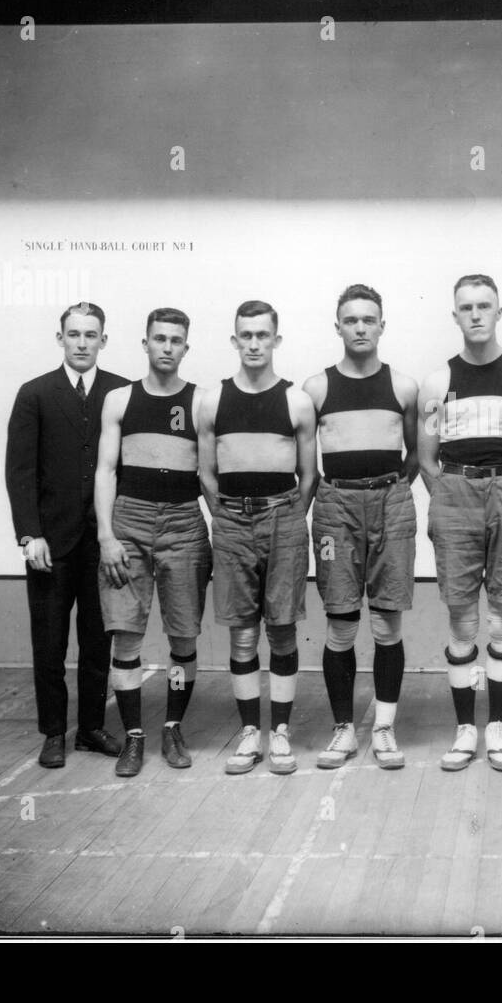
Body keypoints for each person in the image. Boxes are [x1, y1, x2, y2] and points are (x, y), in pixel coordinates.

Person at [418, 275, 502, 772]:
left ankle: (496, 728)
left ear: (499, 312)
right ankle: (465, 729)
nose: (475, 315)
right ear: (454, 315)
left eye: (484, 306)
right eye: (466, 307)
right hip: (454, 491)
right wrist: (456, 495)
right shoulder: (437, 383)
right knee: (461, 617)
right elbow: (428, 459)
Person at [198, 301, 317, 776]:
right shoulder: (213, 401)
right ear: (234, 340)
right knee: (243, 633)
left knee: (283, 628)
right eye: (245, 335)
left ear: (276, 341)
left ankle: (282, 732)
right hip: (230, 522)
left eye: (261, 335)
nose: (253, 344)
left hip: (284, 519)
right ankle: (251, 732)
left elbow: (309, 476)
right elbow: (206, 474)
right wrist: (229, 516)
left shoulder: (297, 401)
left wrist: (283, 516)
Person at [303, 285, 419, 770]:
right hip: (335, 507)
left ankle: (385, 730)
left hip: (390, 501)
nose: (360, 328)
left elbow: (415, 455)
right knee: (341, 622)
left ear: (382, 325)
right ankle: (344, 730)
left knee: (387, 621)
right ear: (338, 327)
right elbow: (306, 466)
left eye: (369, 320)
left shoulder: (404, 387)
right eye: (351, 320)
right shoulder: (316, 389)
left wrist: (387, 490)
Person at [5, 302, 127, 768]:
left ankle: (92, 728)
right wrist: (29, 535)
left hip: (102, 545)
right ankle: (54, 731)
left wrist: (118, 534)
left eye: (90, 335)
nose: (81, 343)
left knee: (98, 641)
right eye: (73, 334)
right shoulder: (34, 394)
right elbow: (19, 471)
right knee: (50, 643)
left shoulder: (120, 392)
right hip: (49, 547)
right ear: (60, 338)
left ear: (103, 340)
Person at [94, 308, 211, 778]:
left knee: (183, 635)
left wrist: (222, 529)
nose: (167, 347)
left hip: (184, 524)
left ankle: (173, 726)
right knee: (126, 635)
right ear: (145, 344)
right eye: (159, 338)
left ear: (186, 347)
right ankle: (134, 736)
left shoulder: (202, 401)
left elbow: (208, 474)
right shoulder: (119, 399)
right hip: (129, 522)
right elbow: (105, 470)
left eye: (175, 340)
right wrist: (105, 535)